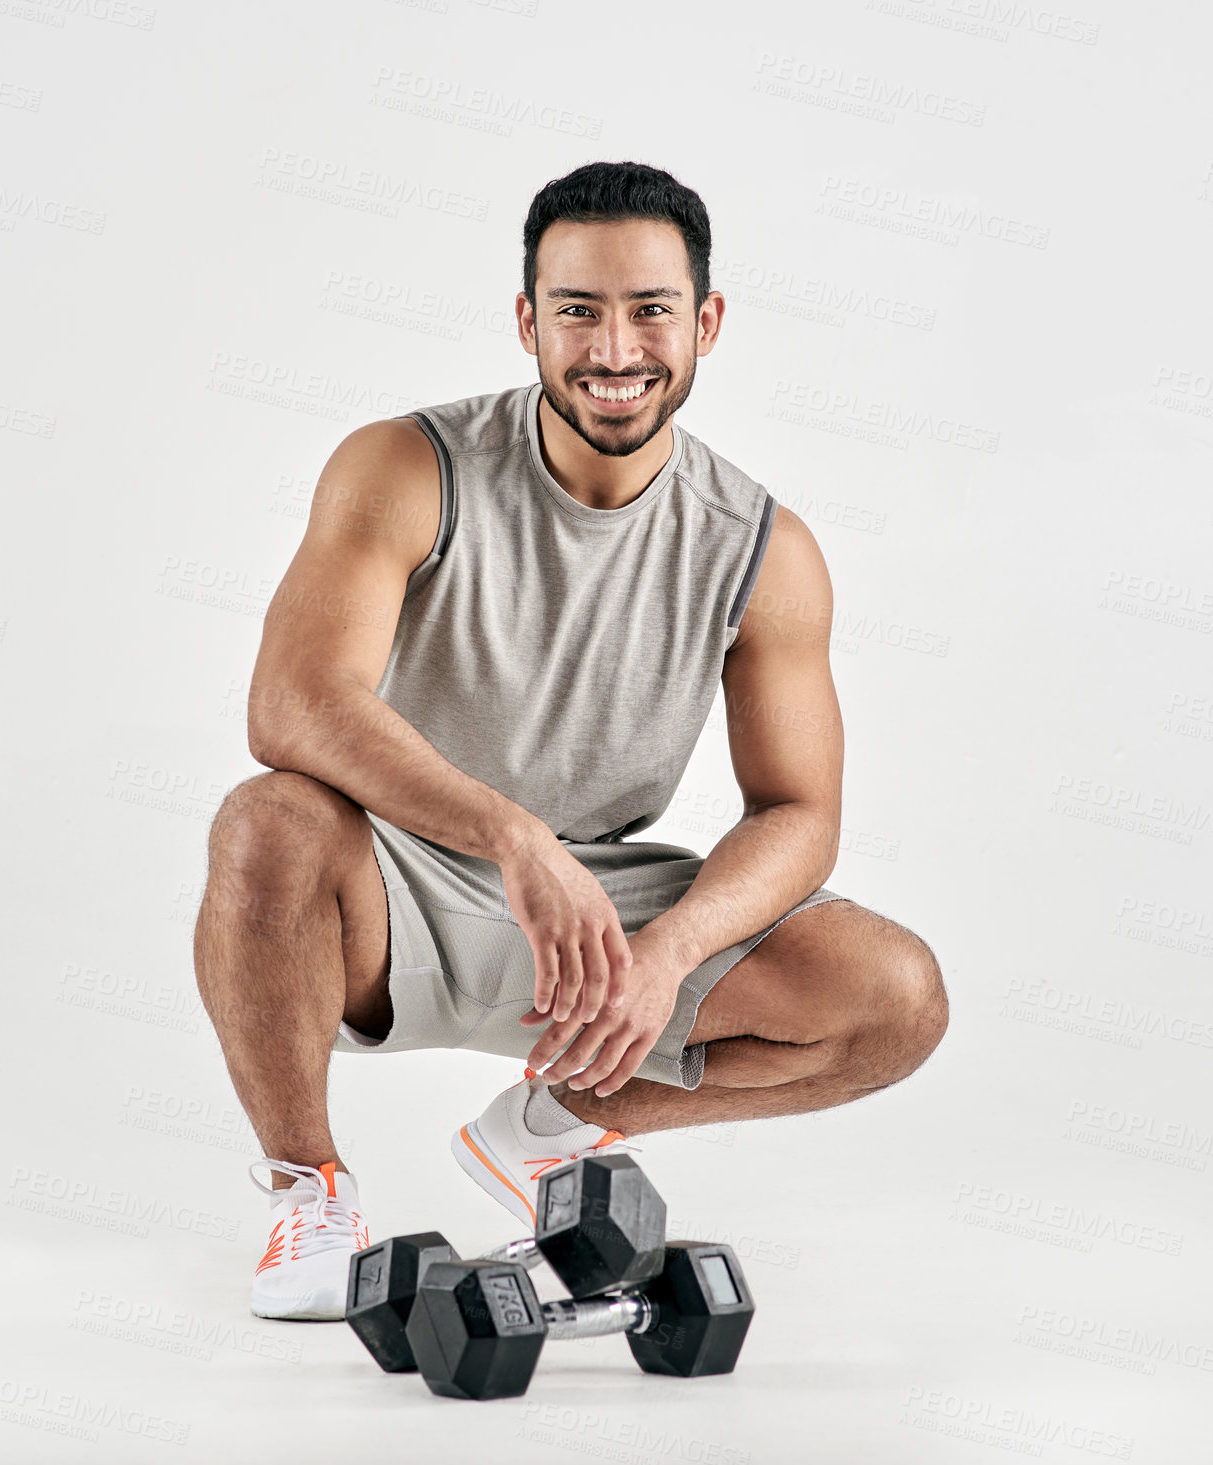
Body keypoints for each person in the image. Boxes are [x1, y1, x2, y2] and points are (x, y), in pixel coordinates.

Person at [193, 161, 949, 1321]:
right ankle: (311, 1190)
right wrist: (508, 836)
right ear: (525, 320)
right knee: (265, 820)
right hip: (394, 883)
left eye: (650, 309)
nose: (614, 348)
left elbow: (800, 813)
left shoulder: (764, 546)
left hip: (608, 910)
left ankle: (551, 1128)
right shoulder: (404, 466)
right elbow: (291, 705)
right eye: (578, 309)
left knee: (895, 995)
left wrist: (672, 946)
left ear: (705, 322)